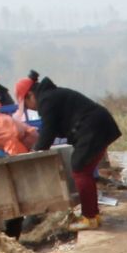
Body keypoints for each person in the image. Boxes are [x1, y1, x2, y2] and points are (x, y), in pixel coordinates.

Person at [25, 75, 121, 229]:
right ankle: (93, 215)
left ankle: (89, 218)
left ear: (30, 95)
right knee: (84, 171)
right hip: (99, 125)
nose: (32, 109)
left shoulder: (46, 100)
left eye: (28, 105)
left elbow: (48, 131)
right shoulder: (51, 95)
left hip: (93, 128)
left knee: (80, 170)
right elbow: (53, 128)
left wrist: (36, 150)